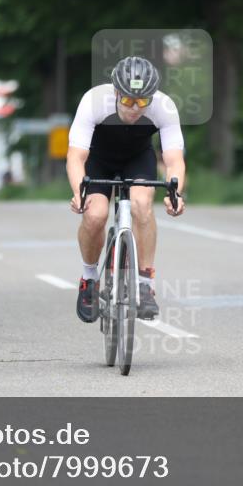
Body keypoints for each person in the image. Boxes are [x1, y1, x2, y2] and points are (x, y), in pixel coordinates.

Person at [67, 56, 186, 323]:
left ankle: (145, 284)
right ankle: (89, 279)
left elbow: (174, 159)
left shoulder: (164, 107)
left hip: (138, 158)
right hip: (99, 159)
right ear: (117, 92)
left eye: (143, 101)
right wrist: (78, 191)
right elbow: (76, 157)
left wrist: (174, 194)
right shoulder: (95, 101)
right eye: (129, 100)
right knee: (95, 214)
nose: (135, 107)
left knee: (142, 205)